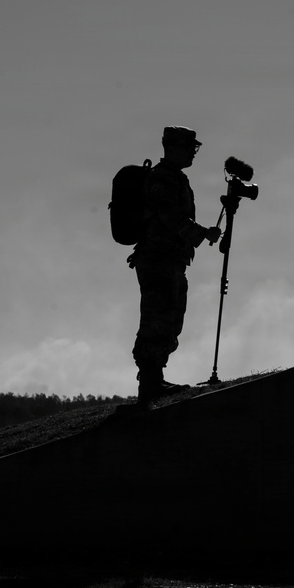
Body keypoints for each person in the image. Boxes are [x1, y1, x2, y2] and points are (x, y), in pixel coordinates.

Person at [125, 126, 221, 412]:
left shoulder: (174, 177)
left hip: (168, 259)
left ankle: (156, 378)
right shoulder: (164, 178)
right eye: (189, 146)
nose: (193, 151)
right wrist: (201, 233)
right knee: (157, 318)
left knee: (169, 317)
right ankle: (150, 382)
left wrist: (199, 234)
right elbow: (169, 217)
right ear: (173, 147)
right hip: (158, 259)